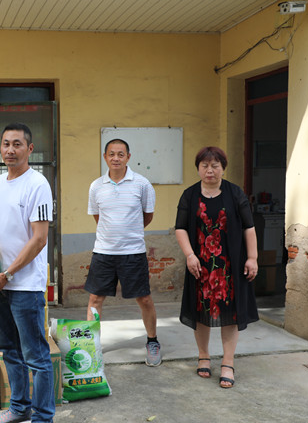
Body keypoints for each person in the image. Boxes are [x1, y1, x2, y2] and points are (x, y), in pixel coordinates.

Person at [0, 123, 55, 423]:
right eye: (5, 144)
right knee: (9, 350)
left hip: (24, 285)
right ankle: (19, 409)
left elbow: (39, 239)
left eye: (17, 144)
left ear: (29, 149)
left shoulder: (38, 184)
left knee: (36, 356)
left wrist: (8, 273)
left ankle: (43, 420)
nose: (10, 150)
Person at [175, 146, 258, 388]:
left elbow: (249, 227)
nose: (210, 170)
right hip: (200, 265)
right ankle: (203, 356)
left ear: (223, 168)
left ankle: (228, 363)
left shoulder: (235, 193)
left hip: (230, 265)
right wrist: (189, 255)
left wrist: (252, 258)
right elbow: (180, 228)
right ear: (198, 168)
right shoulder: (189, 195)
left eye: (215, 166)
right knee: (200, 311)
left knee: (230, 313)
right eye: (205, 166)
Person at [84, 138, 162, 367]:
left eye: (120, 154)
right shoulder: (96, 186)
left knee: (144, 298)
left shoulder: (142, 184)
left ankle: (152, 341)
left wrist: (129, 232)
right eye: (111, 154)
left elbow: (147, 216)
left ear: (128, 157)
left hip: (133, 252)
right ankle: (91, 346)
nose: (115, 158)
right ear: (105, 157)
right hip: (103, 252)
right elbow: (98, 217)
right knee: (95, 299)